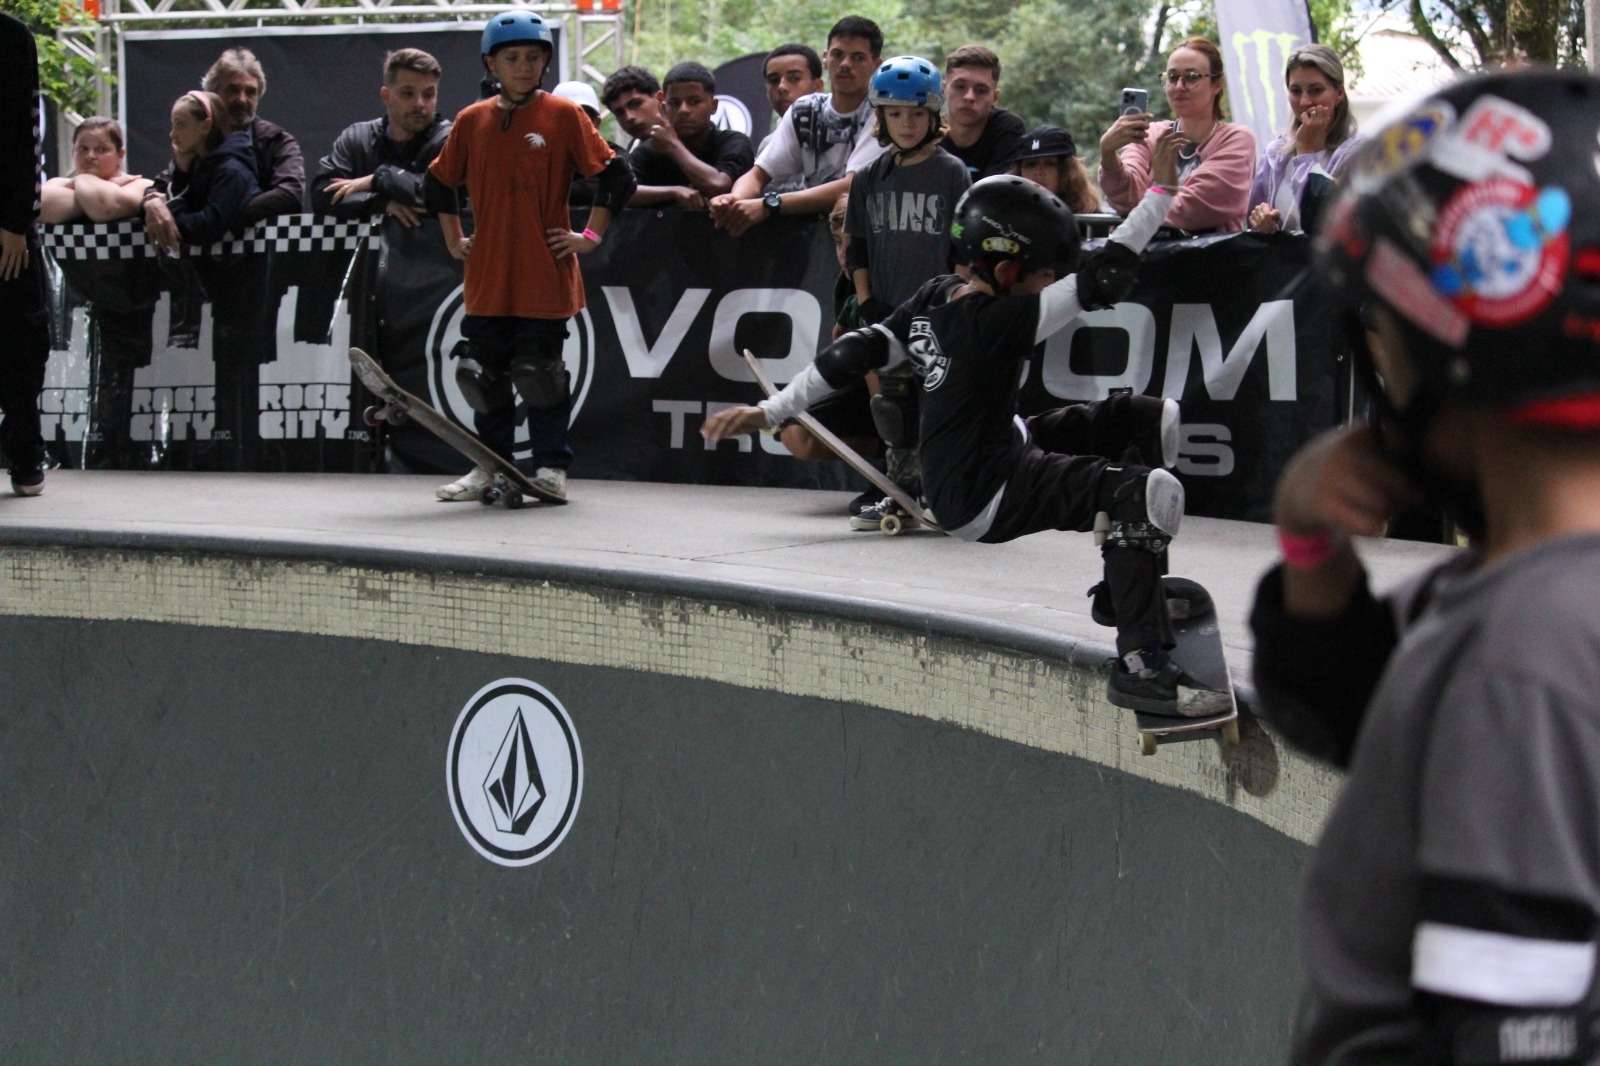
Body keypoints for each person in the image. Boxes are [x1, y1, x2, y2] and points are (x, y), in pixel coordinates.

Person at [1249, 69, 1600, 1064]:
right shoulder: (1523, 600)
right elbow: (1358, 717)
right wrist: (1311, 547)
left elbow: (1506, 1037)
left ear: (1446, 351)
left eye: (1381, 330)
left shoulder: (1528, 651)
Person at [705, 168, 1226, 716]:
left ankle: (1130, 595)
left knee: (1145, 421)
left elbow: (852, 353)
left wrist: (771, 411)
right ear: (1005, 271)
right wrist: (1162, 188)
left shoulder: (937, 295)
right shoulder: (998, 320)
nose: (1048, 287)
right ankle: (1142, 666)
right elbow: (1109, 270)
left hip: (999, 447)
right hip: (986, 493)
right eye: (1044, 278)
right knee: (1142, 495)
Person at [423, 9, 635, 503]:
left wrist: (590, 236)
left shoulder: (563, 116)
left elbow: (616, 175)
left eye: (533, 57)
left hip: (544, 274)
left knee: (540, 375)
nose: (523, 66)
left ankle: (550, 468)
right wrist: (454, 239)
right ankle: (488, 466)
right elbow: (437, 183)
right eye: (512, 58)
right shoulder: (472, 121)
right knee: (484, 376)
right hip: (487, 276)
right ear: (491, 63)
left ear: (546, 63)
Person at [840, 54, 970, 526]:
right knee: (892, 408)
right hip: (886, 310)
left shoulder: (951, 172)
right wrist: (867, 301)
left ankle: (941, 492)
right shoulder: (869, 177)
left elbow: (962, 246)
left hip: (936, 311)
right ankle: (900, 493)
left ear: (933, 116)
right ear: (881, 117)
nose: (907, 124)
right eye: (895, 114)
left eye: (917, 113)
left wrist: (957, 302)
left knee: (936, 406)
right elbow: (856, 247)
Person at [708, 16, 885, 237]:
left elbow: (852, 186)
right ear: (825, 58)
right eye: (838, 55)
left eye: (858, 57)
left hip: (867, 237)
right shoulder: (805, 110)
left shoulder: (883, 112)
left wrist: (769, 204)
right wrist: (734, 199)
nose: (845, 64)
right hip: (814, 239)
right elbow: (758, 175)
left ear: (876, 66)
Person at [143, 48, 305, 247]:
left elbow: (290, 193)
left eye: (250, 92)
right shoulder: (198, 141)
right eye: (232, 90)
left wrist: (227, 213)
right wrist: (152, 202)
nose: (241, 99)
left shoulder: (276, 141)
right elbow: (162, 185)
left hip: (260, 256)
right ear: (212, 93)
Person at [1099, 36, 1255, 233]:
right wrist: (1108, 154)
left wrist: (1139, 205)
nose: (1179, 86)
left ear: (1217, 84)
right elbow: (1123, 195)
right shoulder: (1149, 134)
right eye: (1172, 77)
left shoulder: (1236, 140)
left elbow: (1192, 209)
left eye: (1192, 77)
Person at [310, 48, 450, 226]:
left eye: (428, 95)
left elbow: (441, 194)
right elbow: (323, 194)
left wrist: (379, 179)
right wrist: (381, 203)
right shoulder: (358, 139)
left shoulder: (449, 139)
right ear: (386, 96)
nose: (420, 104)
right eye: (408, 93)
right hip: (370, 244)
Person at [0, 12, 48, 496]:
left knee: (22, 343)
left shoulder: (12, 39)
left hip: (5, 226)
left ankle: (24, 451)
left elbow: (26, 134)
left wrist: (16, 222)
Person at [1246, 43, 1364, 236]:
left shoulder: (1359, 152)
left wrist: (1306, 151)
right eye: (1295, 91)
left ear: (1339, 94)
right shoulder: (1275, 153)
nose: (1305, 101)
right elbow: (1251, 225)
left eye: (1316, 90)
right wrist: (1262, 222)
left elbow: (1324, 220)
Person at [626, 61, 753, 209]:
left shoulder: (733, 142)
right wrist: (674, 192)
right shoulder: (650, 149)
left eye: (694, 102)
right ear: (663, 107)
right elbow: (624, 193)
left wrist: (673, 146)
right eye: (675, 103)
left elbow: (718, 185)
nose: (683, 110)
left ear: (713, 106)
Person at [145, 91, 260, 250]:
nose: (172, 134)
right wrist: (154, 200)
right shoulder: (192, 164)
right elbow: (157, 189)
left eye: (180, 124)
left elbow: (205, 229)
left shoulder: (233, 172)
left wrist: (170, 209)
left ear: (205, 126)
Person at [39, 117, 151, 224]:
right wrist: (95, 197)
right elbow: (38, 207)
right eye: (83, 149)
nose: (90, 156)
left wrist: (82, 180)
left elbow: (105, 208)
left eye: (101, 149)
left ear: (120, 155)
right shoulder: (57, 183)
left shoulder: (141, 185)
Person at [939, 46, 1026, 181]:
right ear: (944, 90)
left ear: (995, 97)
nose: (969, 97)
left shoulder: (1007, 129)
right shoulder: (928, 132)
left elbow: (996, 190)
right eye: (960, 87)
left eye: (981, 90)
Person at [553, 80, 626, 207]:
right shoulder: (539, 156)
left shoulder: (614, 155)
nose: (576, 125)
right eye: (566, 117)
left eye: (584, 118)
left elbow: (622, 186)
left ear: (596, 123)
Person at [1004, 124, 1101, 213]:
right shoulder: (1005, 214)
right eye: (1031, 165)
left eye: (1050, 164)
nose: (1038, 172)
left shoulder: (1089, 218)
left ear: (1068, 172)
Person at [600, 65, 664, 147]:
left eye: (635, 104)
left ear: (660, 98)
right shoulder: (631, 151)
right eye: (620, 113)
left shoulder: (679, 143)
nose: (629, 117)